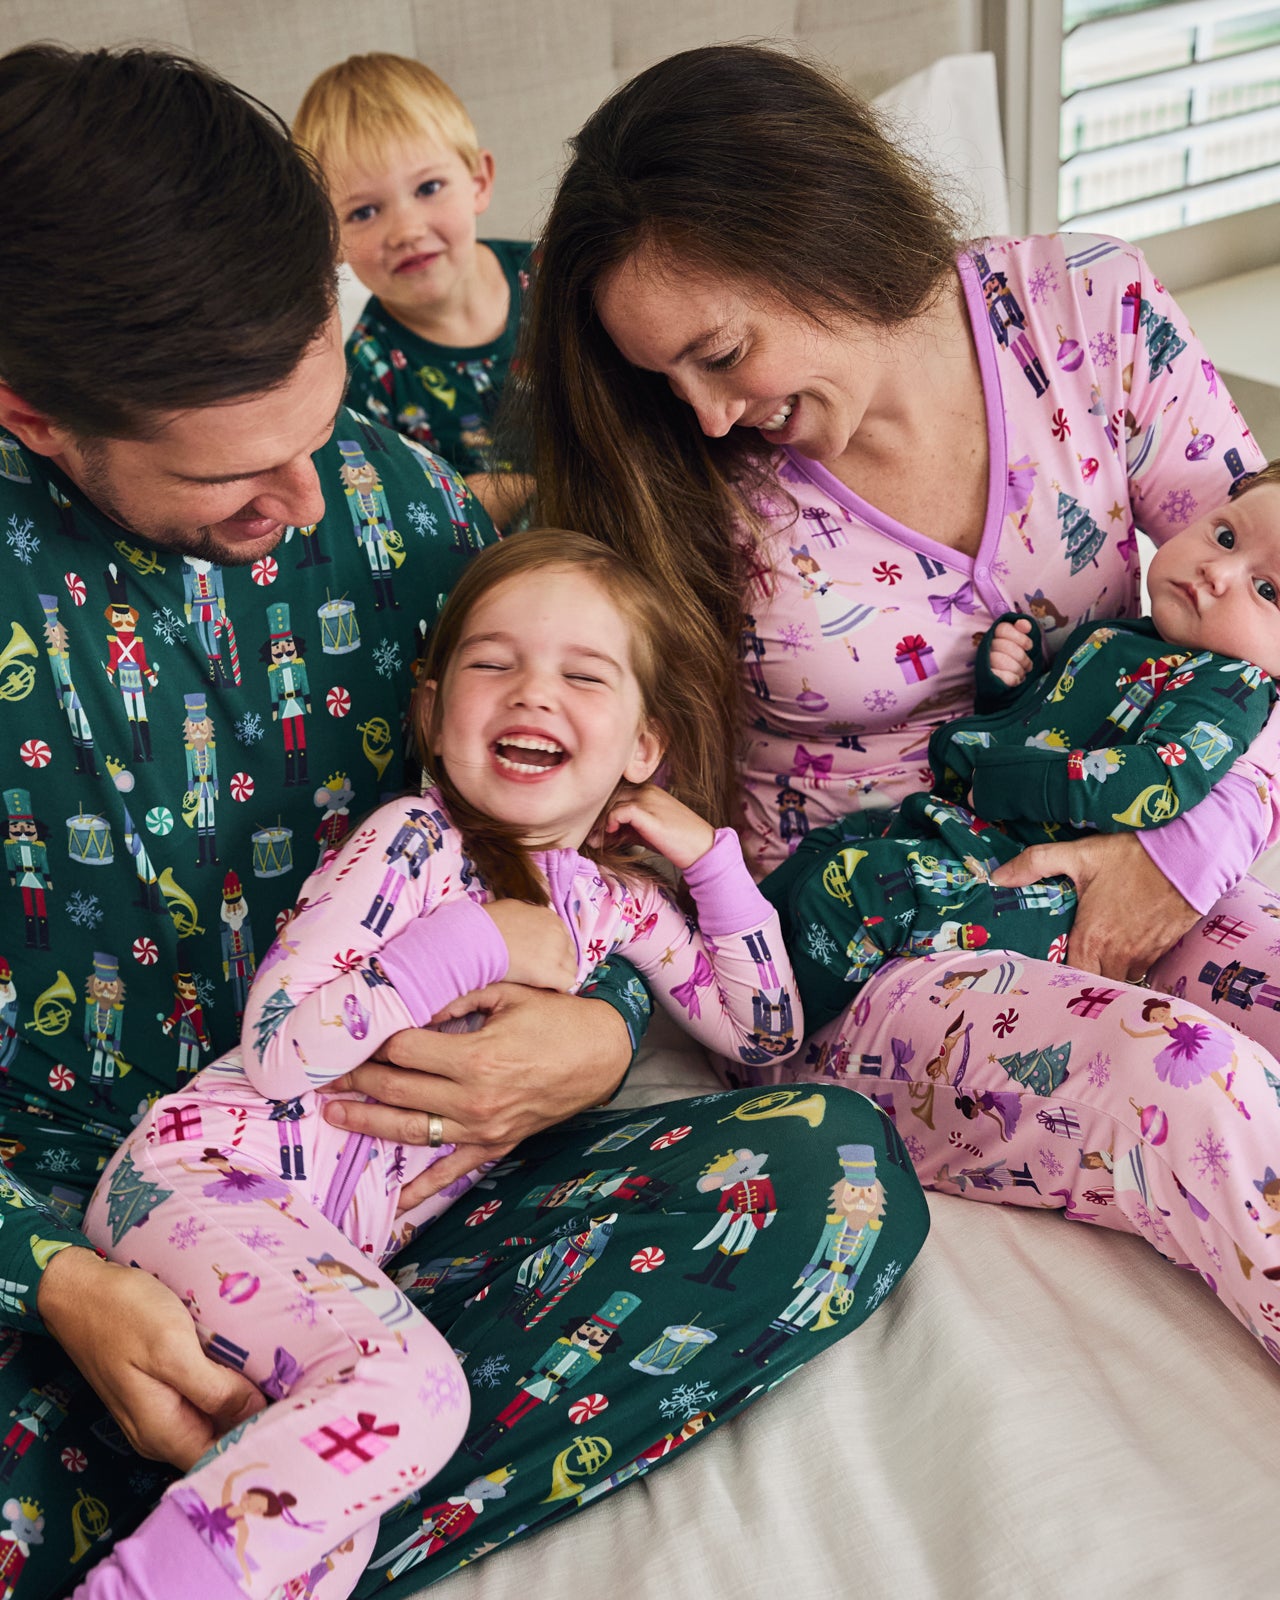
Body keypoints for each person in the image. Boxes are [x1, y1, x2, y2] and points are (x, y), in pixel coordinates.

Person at [0, 44, 921, 1598]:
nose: (303, 497)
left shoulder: (396, 505)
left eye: (323, 411)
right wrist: (55, 1284)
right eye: (231, 473)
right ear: (32, 415)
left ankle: (252, 1537)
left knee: (823, 1178)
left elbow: (552, 841)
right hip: (92, 1225)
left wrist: (605, 1033)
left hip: (406, 1190)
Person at [520, 40, 1280, 1364]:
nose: (702, 416)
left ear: (819, 228)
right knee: (1194, 1085)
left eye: (721, 352)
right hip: (896, 949)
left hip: (1146, 818)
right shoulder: (679, 485)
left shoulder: (1085, 312)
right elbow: (628, 812)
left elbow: (1269, 606)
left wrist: (1180, 848)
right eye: (670, 382)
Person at [73, 531, 924, 1600]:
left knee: (322, 1531)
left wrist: (711, 865)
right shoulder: (410, 845)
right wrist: (476, 941)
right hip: (204, 1182)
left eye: (582, 674)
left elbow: (761, 1041)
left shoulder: (617, 906)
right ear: (431, 710)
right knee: (412, 1394)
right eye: (493, 663)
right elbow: (282, 1046)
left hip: (327, 1253)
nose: (532, 693)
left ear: (640, 745)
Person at [767, 467, 1280, 1027]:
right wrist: (1011, 687)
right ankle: (737, 958)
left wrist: (1020, 779)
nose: (1218, 572)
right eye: (1225, 536)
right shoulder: (1129, 636)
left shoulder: (1234, 685)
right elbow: (1048, 727)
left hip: (1040, 888)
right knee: (827, 847)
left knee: (868, 888)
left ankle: (784, 1034)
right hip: (962, 829)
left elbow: (1161, 778)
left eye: (1268, 591)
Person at [294, 53, 533, 529]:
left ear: (478, 182)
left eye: (428, 188)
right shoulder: (364, 374)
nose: (405, 230)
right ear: (331, 238)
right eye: (363, 213)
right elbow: (407, 512)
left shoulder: (557, 277)